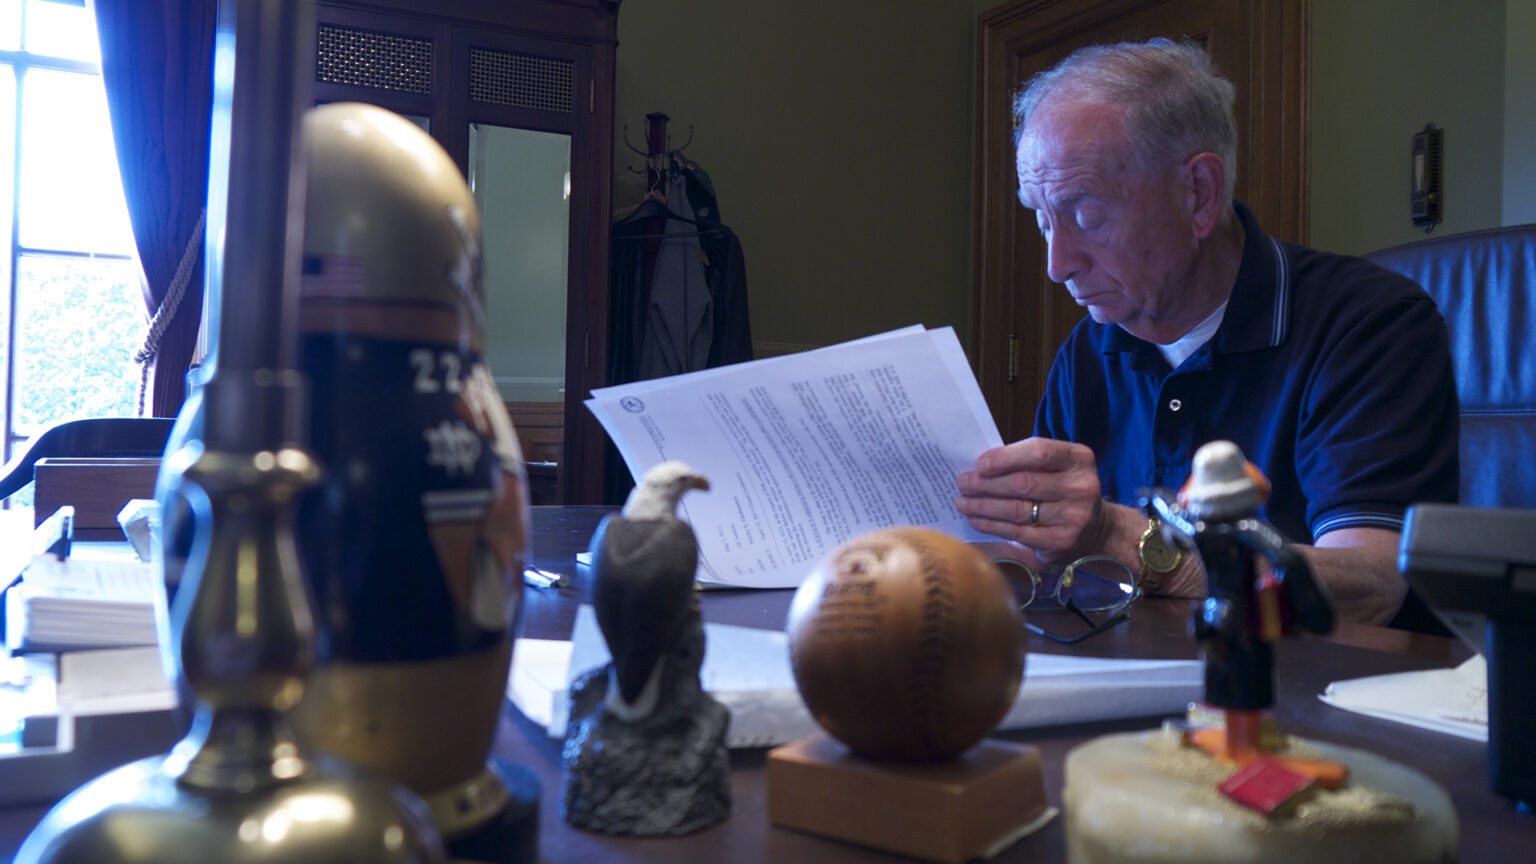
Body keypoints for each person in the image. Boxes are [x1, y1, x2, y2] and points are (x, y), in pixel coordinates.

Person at [954, 38, 1458, 628]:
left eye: (1085, 215)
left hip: (1318, 700)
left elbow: (1375, 582)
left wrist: (1114, 534)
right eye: (1042, 221)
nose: (1057, 263)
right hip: (1141, 689)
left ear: (1198, 194)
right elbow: (1046, 555)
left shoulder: (1369, 324)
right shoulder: (1090, 349)